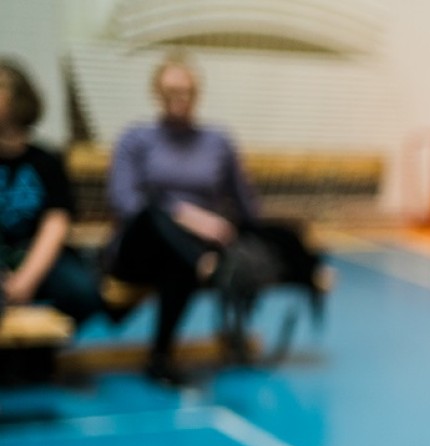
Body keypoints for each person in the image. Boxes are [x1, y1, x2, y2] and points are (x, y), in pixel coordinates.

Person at [103, 52, 324, 384]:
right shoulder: (135, 138)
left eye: (186, 91)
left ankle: (159, 358)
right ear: (157, 93)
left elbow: (247, 207)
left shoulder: (217, 141)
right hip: (141, 245)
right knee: (153, 214)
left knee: (180, 260)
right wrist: (185, 214)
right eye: (171, 91)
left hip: (190, 250)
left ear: (197, 93)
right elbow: (125, 202)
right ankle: (204, 265)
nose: (179, 98)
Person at [0, 58, 101, 326]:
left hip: (38, 254)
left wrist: (26, 279)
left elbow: (56, 221)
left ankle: (44, 345)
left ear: (17, 100)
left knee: (83, 293)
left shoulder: (45, 161)